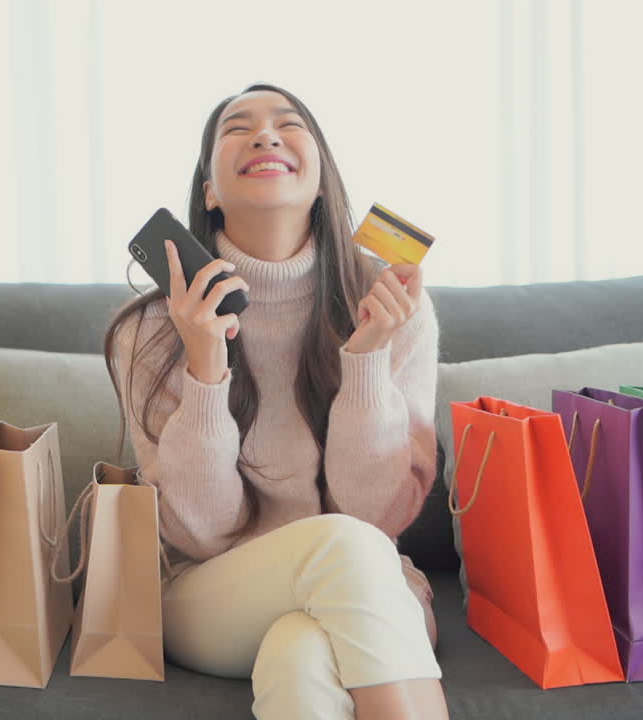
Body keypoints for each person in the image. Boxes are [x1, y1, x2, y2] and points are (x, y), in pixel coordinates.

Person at [103, 84, 448, 720]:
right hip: (209, 595)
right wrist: (206, 366)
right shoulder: (150, 330)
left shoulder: (392, 304)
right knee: (341, 550)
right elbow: (203, 535)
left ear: (321, 179)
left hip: (360, 582)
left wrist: (367, 358)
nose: (265, 135)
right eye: (238, 128)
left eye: (288, 124)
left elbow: (374, 516)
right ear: (209, 189)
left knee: (301, 655)